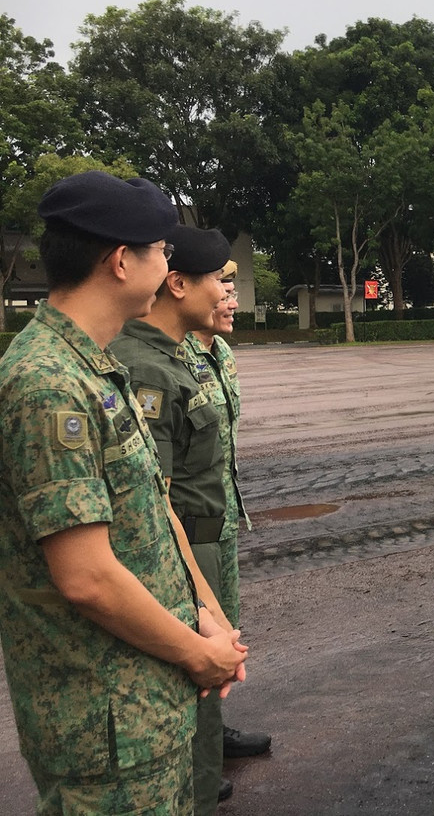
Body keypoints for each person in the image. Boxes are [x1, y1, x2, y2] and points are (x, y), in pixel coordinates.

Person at [0, 170, 247, 814]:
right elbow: (85, 578)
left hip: (146, 703)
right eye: (161, 250)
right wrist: (200, 656)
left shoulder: (99, 365)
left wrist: (208, 610)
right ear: (119, 262)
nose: (170, 263)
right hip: (103, 721)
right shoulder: (48, 383)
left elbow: (156, 503)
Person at [110, 224, 241, 813]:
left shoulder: (174, 358)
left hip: (203, 544)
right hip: (181, 552)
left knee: (206, 695)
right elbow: (150, 500)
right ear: (178, 284)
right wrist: (194, 595)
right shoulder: (147, 370)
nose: (225, 291)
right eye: (217, 279)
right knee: (191, 692)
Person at [185, 261, 273, 761]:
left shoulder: (219, 352)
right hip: (189, 524)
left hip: (221, 517)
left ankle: (212, 735)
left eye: (233, 287)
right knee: (197, 627)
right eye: (222, 287)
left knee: (225, 621)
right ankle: (196, 754)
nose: (231, 299)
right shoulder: (167, 360)